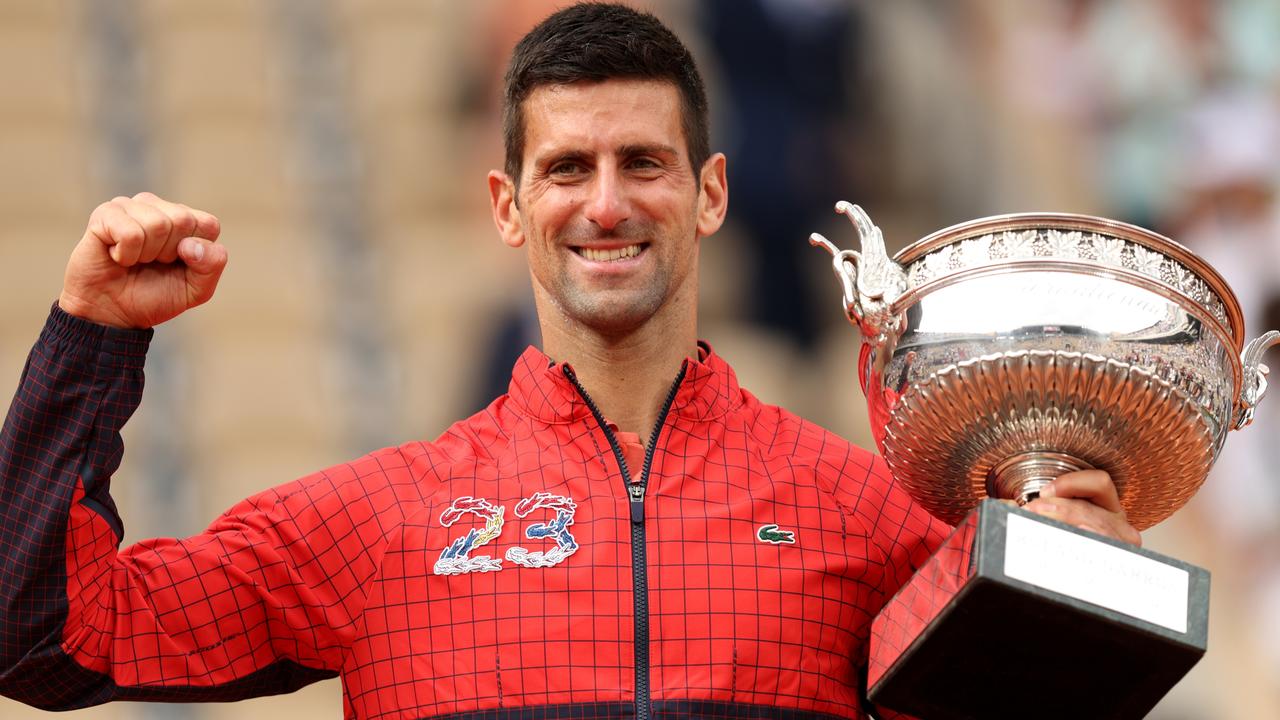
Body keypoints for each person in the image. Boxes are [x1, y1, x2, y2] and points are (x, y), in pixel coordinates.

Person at [0, 4, 1138, 719]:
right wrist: (90, 338)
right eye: (564, 169)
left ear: (708, 195)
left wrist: (1078, 585)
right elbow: (44, 640)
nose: (605, 204)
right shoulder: (376, 523)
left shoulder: (860, 511)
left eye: (643, 161)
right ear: (507, 206)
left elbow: (1037, 699)